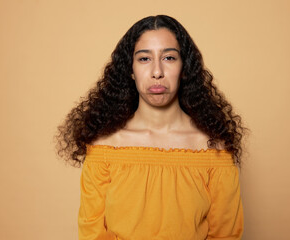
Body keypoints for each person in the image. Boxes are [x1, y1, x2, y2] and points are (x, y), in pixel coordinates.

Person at [56, 15, 245, 240]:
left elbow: (226, 235)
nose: (157, 72)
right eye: (144, 59)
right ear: (130, 70)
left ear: (185, 68)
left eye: (169, 57)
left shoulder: (214, 149)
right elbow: (92, 234)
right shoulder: (104, 147)